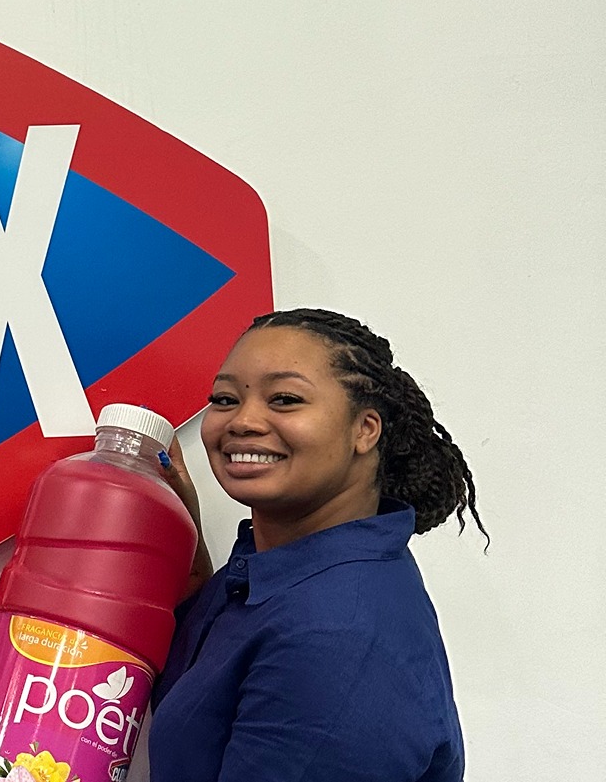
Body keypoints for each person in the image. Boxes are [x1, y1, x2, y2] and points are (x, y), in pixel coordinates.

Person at [147, 308, 485, 781]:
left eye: (284, 398)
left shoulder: (338, 634)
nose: (243, 420)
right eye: (224, 399)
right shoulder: (282, 566)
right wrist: (184, 532)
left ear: (365, 430)